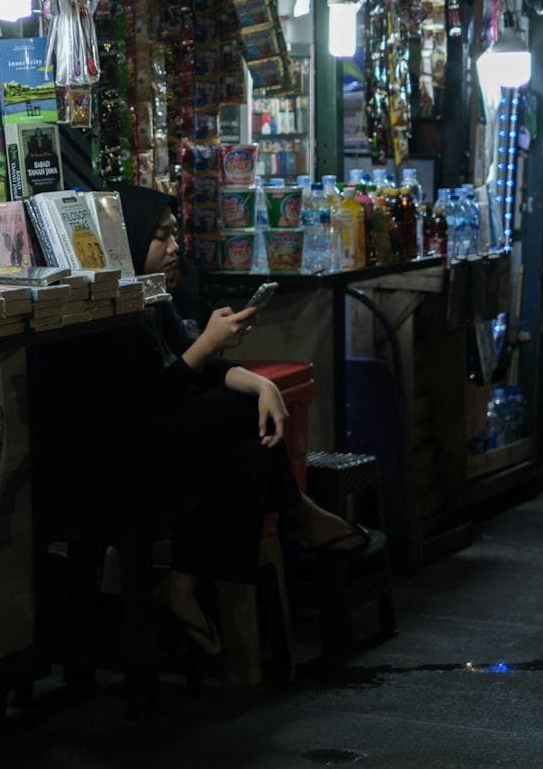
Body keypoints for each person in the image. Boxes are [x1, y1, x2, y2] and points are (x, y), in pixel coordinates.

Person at [117, 183, 366, 657]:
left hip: (171, 444)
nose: (174, 249)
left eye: (175, 236)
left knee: (252, 454)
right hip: (131, 456)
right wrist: (209, 345)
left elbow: (194, 368)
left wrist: (260, 383)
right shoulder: (115, 306)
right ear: (128, 240)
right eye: (160, 238)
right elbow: (154, 400)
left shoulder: (155, 297)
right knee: (234, 415)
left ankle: (183, 584)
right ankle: (297, 512)